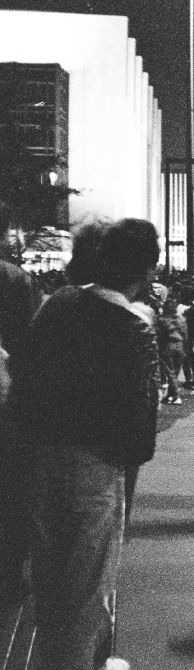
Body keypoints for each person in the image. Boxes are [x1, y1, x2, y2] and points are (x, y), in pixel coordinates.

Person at [12, 218, 160, 670]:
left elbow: (24, 382)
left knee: (47, 576)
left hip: (42, 457)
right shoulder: (134, 326)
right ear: (148, 271)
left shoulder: (58, 304)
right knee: (86, 589)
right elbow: (141, 434)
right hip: (96, 470)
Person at [0, 255, 43, 614]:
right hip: (10, 402)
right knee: (13, 494)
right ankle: (10, 574)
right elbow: (30, 348)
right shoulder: (15, 279)